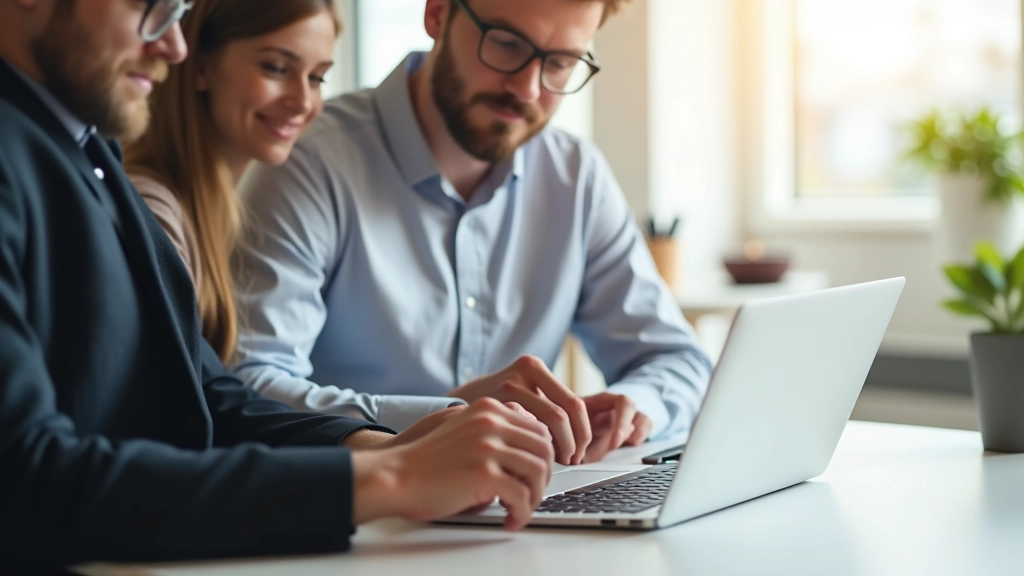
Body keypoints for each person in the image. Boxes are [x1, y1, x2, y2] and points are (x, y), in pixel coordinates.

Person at [0, 0, 553, 571]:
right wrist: (389, 478)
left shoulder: (88, 148)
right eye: (147, 7)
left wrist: (382, 446)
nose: (174, 46)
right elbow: (25, 481)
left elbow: (206, 395)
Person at [233, 0, 714, 465]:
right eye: (506, 44)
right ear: (437, 13)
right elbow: (250, 387)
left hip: (526, 504)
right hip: (358, 504)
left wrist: (636, 406)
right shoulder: (308, 162)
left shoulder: (575, 176)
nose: (527, 88)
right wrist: (446, 419)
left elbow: (678, 361)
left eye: (560, 63)